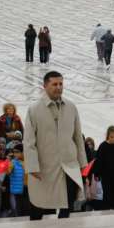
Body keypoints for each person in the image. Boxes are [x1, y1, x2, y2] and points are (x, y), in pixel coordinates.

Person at [23, 71, 86, 219]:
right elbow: (29, 142)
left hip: (69, 167)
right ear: (45, 86)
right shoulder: (34, 109)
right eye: (54, 84)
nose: (58, 87)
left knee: (67, 206)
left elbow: (78, 137)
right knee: (39, 206)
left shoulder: (71, 107)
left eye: (61, 84)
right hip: (45, 168)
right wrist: (32, 167)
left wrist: (83, 164)